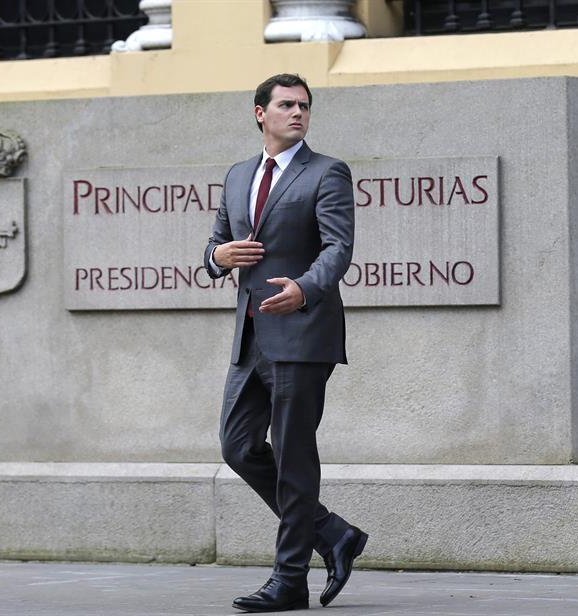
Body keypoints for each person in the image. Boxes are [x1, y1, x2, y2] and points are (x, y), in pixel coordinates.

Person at [204, 73, 368, 612]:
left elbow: (338, 248)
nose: (297, 112)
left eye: (304, 105)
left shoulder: (327, 172)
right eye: (286, 105)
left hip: (302, 333)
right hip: (251, 335)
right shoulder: (238, 175)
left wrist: (304, 289)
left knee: (294, 455)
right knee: (238, 446)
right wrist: (217, 258)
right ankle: (333, 533)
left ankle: (290, 578)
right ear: (261, 113)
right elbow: (215, 244)